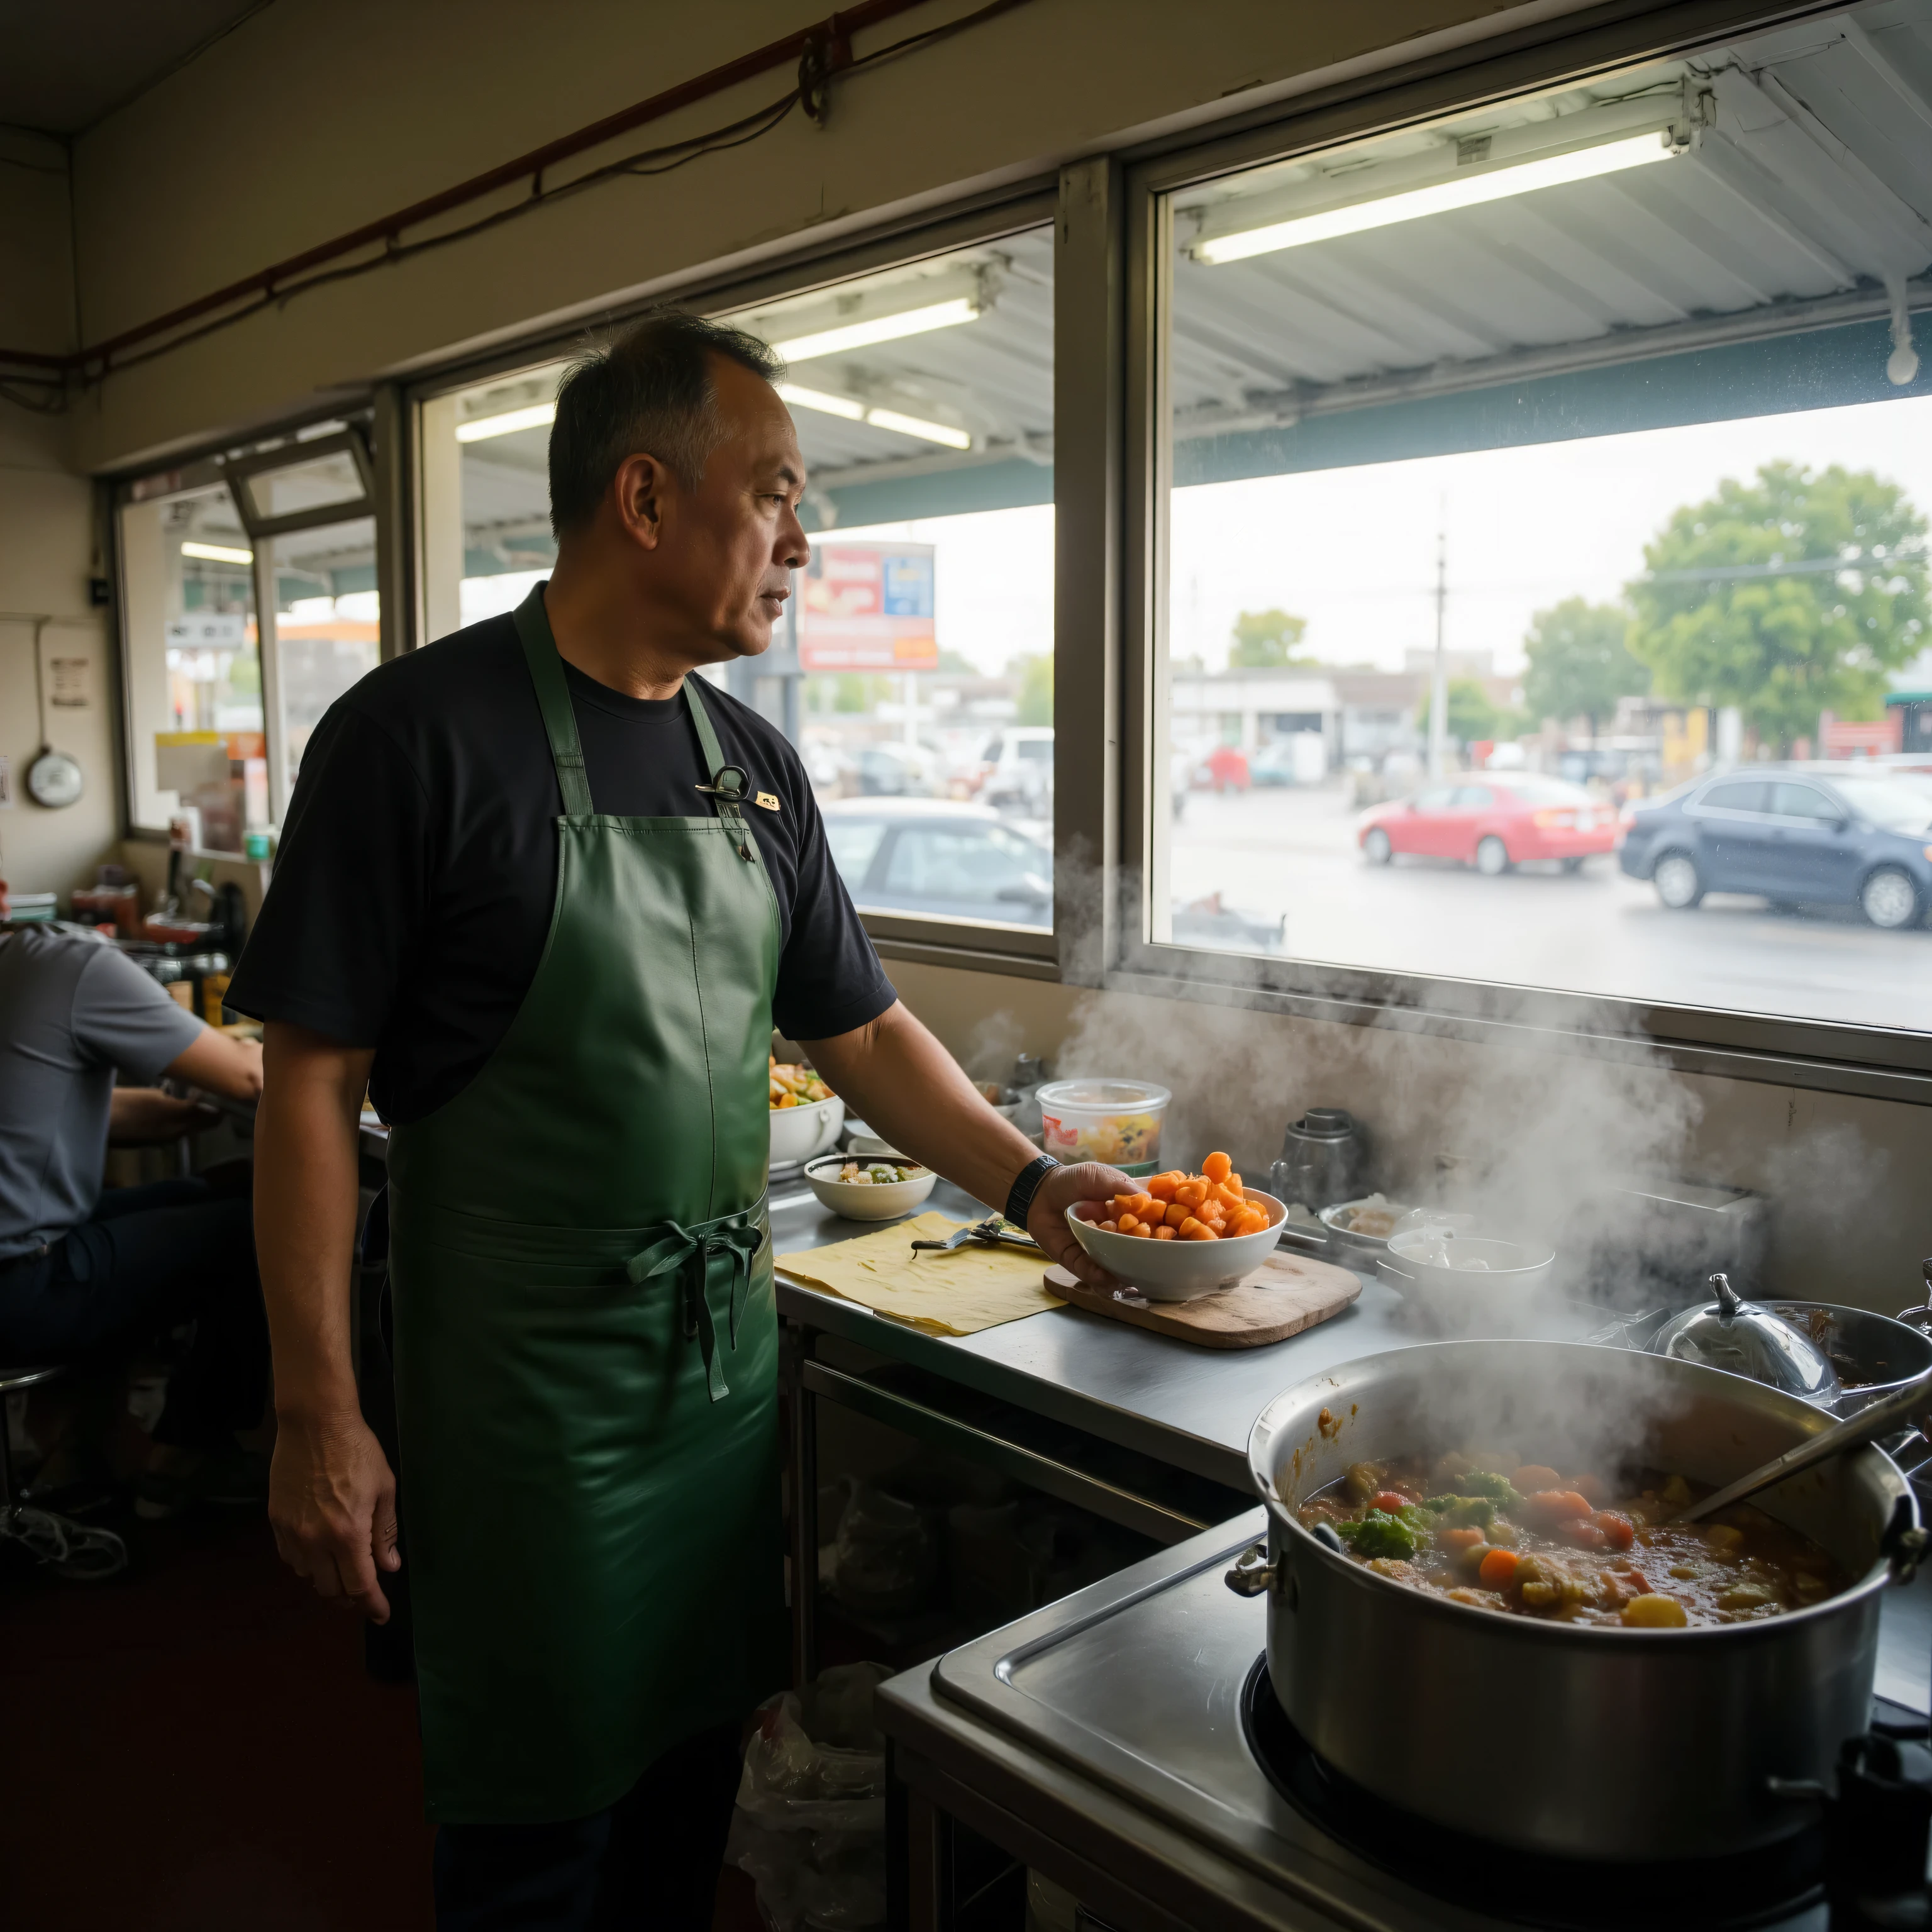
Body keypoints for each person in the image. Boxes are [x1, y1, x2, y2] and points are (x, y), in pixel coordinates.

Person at [230, 310, 1123, 1929]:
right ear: (645, 500)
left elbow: (854, 1026)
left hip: (714, 1399)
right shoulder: (413, 739)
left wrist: (1037, 1178)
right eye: (775, 491)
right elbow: (306, 1086)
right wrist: (315, 1409)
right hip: (522, 1405)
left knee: (679, 1809)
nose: (802, 536)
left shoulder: (754, 767)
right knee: (534, 1836)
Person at [0, 921, 268, 1516]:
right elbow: (251, 1077)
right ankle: (189, 1456)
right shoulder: (70, 961)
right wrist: (248, 1058)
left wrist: (188, 1109)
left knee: (229, 1185)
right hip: (22, 1287)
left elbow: (65, 1106)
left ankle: (77, 1442)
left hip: (22, 1258)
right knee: (258, 1229)